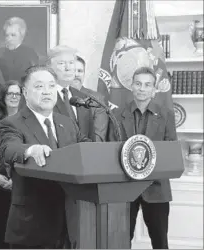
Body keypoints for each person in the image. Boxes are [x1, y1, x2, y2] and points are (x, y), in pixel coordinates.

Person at [0, 65, 91, 249]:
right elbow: (8, 148)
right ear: (25, 92)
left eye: (51, 86)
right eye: (39, 87)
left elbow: (85, 147)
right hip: (33, 225)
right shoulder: (12, 123)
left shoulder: (67, 123)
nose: (47, 92)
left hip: (69, 222)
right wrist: (31, 150)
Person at [108, 67, 176, 249]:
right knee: (121, 241)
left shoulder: (166, 115)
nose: (142, 88)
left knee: (160, 242)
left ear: (154, 89)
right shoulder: (116, 115)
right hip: (125, 187)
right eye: (138, 84)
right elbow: (111, 150)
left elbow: (170, 150)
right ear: (131, 86)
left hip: (156, 188)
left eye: (147, 85)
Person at [47, 45, 108, 142]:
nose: (68, 68)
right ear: (50, 68)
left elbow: (90, 136)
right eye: (62, 63)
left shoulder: (81, 97)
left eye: (71, 63)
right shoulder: (45, 96)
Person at [0, 80, 21, 248]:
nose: (14, 97)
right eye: (10, 93)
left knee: (21, 234)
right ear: (3, 97)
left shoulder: (28, 122)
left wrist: (18, 178)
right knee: (2, 231)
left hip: (23, 185)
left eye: (17, 93)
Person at [0, 16, 39, 95]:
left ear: (22, 36)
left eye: (13, 35)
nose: (8, 39)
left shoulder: (30, 54)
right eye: (7, 35)